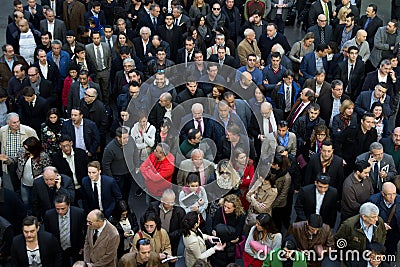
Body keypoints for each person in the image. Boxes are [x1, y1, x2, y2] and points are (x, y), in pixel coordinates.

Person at [0, 136, 51, 210]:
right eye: (24, 147)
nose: (25, 150)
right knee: (25, 202)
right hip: (24, 183)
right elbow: (15, 160)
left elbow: (47, 169)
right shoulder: (22, 151)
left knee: (36, 202)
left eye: (27, 149)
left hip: (36, 184)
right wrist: (7, 159)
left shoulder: (43, 156)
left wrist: (40, 176)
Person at [43, 194, 86, 266]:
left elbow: (84, 230)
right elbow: (47, 233)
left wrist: (82, 246)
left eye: (63, 208)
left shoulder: (79, 213)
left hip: (75, 247)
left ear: (68, 205)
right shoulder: (49, 215)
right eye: (57, 209)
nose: (60, 211)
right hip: (58, 248)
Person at [102, 127, 141, 201]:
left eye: (127, 137)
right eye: (124, 138)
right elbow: (105, 165)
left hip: (129, 172)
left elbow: (135, 152)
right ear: (118, 138)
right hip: (117, 176)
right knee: (118, 194)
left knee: (127, 192)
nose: (127, 140)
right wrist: (111, 179)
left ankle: (126, 205)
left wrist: (137, 165)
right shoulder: (110, 148)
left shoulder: (131, 140)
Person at [211, 194, 246, 267]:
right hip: (219, 243)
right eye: (225, 206)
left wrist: (226, 239)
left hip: (230, 247)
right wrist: (230, 238)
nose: (225, 209)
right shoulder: (220, 211)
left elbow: (236, 234)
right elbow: (214, 228)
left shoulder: (240, 215)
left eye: (229, 208)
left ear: (235, 208)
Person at [368, 182, 400, 255]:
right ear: (383, 193)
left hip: (394, 233)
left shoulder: (399, 200)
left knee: (391, 250)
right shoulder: (373, 201)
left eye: (394, 193)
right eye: (389, 194)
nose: (392, 197)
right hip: (378, 233)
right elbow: (367, 218)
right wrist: (380, 224)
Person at [245, 165, 278, 231]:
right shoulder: (259, 181)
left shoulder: (272, 191)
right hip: (251, 212)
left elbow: (261, 209)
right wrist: (257, 203)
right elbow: (247, 195)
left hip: (261, 218)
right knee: (246, 230)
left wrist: (253, 199)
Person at [270, 153, 292, 231]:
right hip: (271, 198)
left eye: (272, 164)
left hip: (279, 204)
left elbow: (283, 194)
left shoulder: (286, 177)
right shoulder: (272, 171)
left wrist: (273, 204)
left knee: (277, 220)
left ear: (277, 165)